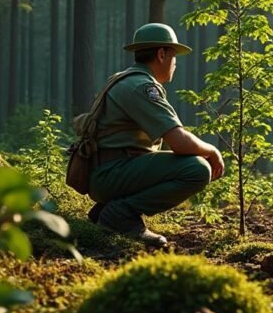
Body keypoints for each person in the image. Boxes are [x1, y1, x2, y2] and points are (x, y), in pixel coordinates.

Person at [86, 23, 225, 247]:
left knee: (183, 163)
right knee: (197, 169)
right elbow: (179, 142)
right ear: (161, 54)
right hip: (111, 173)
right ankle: (121, 214)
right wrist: (213, 151)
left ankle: (107, 210)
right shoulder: (142, 87)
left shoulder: (124, 79)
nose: (175, 63)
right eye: (174, 56)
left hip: (107, 172)